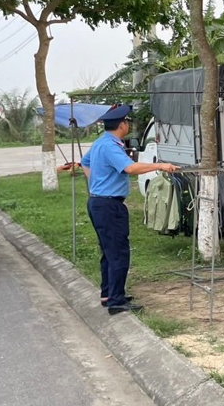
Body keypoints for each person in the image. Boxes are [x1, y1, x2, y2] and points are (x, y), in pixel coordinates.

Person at [63, 105, 178, 315]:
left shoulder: (101, 143)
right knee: (118, 253)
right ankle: (116, 301)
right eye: (127, 122)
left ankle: (108, 294)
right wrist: (160, 166)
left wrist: (96, 183)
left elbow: (84, 163)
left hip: (99, 202)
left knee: (108, 252)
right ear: (122, 125)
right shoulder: (110, 146)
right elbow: (130, 168)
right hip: (108, 205)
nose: (128, 125)